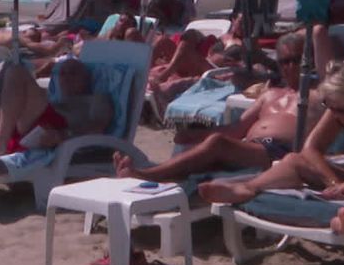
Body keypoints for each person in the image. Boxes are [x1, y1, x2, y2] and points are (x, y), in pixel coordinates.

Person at [199, 59, 344, 235]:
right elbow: (311, 149)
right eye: (330, 106)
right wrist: (334, 183)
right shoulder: (342, 108)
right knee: (294, 160)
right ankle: (248, 188)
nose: (339, 116)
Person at [115, 32, 324, 181]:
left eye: (297, 60)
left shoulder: (316, 94)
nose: (291, 66)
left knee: (217, 144)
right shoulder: (269, 95)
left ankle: (150, 174)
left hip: (281, 153)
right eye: (285, 61)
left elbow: (322, 40)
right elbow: (235, 129)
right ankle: (158, 176)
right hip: (250, 147)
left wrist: (317, 26)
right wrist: (194, 135)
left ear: (309, 61)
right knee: (202, 143)